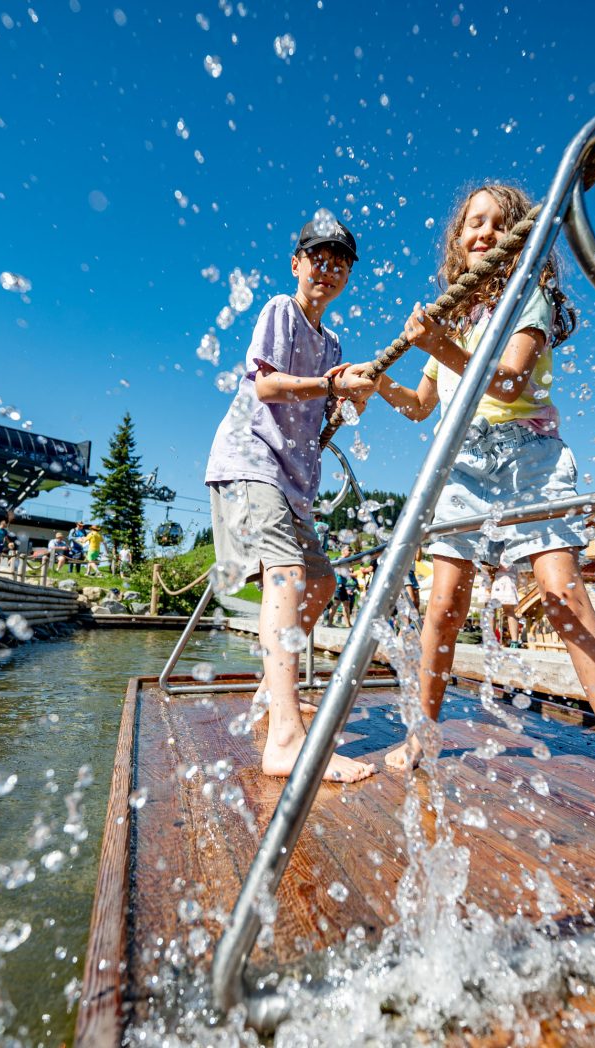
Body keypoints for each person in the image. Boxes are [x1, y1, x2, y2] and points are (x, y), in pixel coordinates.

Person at [359, 183, 595, 825]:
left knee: (561, 595)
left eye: (498, 223)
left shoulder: (528, 299)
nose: (483, 232)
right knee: (442, 605)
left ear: (518, 236)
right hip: (458, 463)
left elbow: (511, 378)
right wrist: (381, 384)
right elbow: (421, 407)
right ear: (457, 241)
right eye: (472, 223)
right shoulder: (455, 315)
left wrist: (442, 348)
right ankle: (423, 736)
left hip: (529, 456)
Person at [204, 213, 377, 783]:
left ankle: (268, 695)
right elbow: (267, 385)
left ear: (348, 275)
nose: (327, 270)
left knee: (322, 581)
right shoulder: (281, 310)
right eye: (318, 259)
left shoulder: (333, 343)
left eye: (339, 263)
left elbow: (325, 410)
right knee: (286, 574)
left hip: (292, 479)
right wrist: (330, 385)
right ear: (297, 263)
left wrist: (350, 400)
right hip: (250, 462)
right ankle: (283, 738)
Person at [489, 564, 523, 647]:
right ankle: (515, 641)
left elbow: (491, 568)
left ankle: (490, 639)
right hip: (510, 584)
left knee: (492, 611)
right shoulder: (514, 557)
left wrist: (491, 569)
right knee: (510, 612)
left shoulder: (499, 553)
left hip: (501, 583)